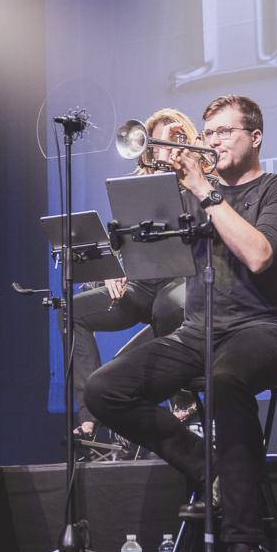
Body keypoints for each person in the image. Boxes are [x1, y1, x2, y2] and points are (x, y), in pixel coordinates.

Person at [84, 94, 277, 552]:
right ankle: (210, 468)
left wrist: (207, 193)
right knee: (104, 390)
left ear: (255, 137)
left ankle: (245, 549)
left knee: (225, 376)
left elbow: (259, 254)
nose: (215, 142)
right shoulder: (189, 197)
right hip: (199, 333)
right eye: (210, 134)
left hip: (269, 329)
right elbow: (154, 268)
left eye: (226, 132)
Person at [69, 108, 199, 443]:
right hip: (142, 287)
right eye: (155, 143)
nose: (160, 148)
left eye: (172, 138)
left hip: (183, 283)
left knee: (168, 306)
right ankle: (89, 414)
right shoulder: (138, 185)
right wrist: (110, 270)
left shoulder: (203, 177)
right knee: (71, 312)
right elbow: (123, 239)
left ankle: (183, 398)